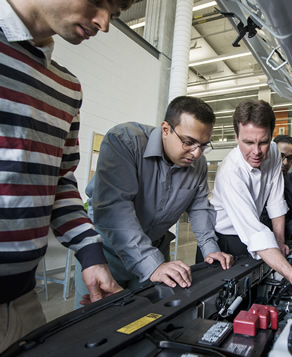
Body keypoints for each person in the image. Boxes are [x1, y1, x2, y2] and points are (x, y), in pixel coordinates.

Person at [0, 0, 134, 352]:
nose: (104, 23)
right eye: (98, 2)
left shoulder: (66, 87)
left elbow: (60, 181)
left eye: (115, 14)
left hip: (23, 301)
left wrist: (91, 254)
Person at [74, 96, 234, 308]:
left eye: (203, 145)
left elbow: (199, 207)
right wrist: (153, 265)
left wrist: (210, 248)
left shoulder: (199, 164)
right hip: (107, 255)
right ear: (166, 129)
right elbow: (115, 209)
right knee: (97, 326)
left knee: (150, 321)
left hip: (155, 250)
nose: (196, 153)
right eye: (188, 142)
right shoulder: (125, 141)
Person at [210, 99, 292, 319]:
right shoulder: (230, 172)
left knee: (256, 295)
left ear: (271, 135)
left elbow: (276, 200)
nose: (256, 151)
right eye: (248, 142)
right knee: (227, 306)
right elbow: (254, 232)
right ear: (236, 137)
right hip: (226, 240)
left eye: (263, 142)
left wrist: (279, 240)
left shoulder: (274, 152)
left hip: (254, 230)